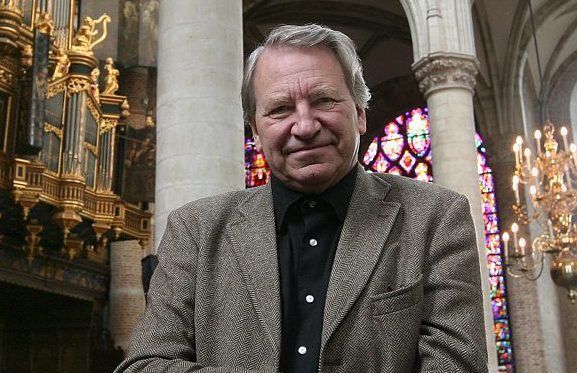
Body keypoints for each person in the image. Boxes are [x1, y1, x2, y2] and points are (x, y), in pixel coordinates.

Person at [115, 24, 488, 373]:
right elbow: (146, 365)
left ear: (360, 113)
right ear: (256, 130)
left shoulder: (436, 217)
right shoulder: (195, 230)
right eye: (280, 109)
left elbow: (456, 366)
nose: (305, 126)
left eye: (324, 100)